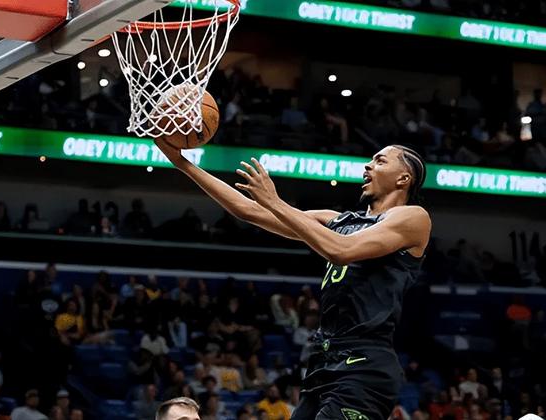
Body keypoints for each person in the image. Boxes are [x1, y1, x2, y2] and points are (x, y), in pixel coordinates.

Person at [156, 140, 431, 420]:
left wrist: (275, 202)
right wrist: (182, 163)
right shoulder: (337, 221)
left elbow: (341, 250)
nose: (368, 165)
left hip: (364, 365)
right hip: (324, 360)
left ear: (403, 178)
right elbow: (249, 211)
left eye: (380, 161)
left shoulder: (413, 218)